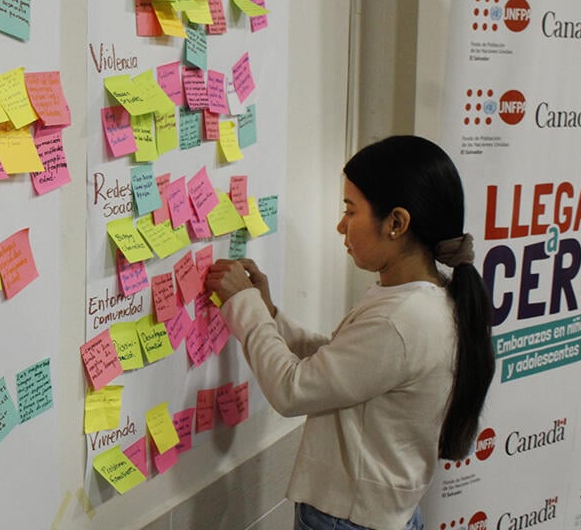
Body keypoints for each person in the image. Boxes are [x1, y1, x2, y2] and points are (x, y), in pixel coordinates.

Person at [205, 136, 495, 530]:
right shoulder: (424, 299)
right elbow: (344, 366)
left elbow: (293, 390)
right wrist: (270, 314)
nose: (340, 225)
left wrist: (245, 306)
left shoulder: (403, 319)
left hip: (350, 521)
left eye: (350, 210)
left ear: (396, 223)